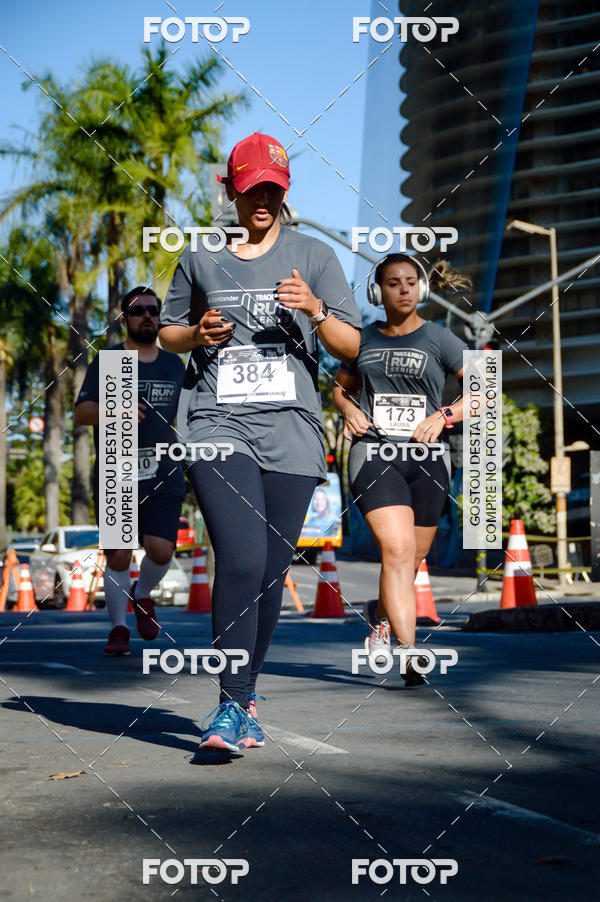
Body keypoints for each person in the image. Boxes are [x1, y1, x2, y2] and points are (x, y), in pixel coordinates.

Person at [159, 131, 362, 751]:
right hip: (218, 422)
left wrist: (317, 309)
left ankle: (245, 696)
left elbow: (355, 346)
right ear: (232, 190)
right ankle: (226, 707)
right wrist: (198, 333)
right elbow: (168, 334)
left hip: (293, 431)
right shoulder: (200, 258)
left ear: (285, 192)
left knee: (272, 574)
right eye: (253, 191)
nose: (264, 201)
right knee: (241, 560)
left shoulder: (314, 256)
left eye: (274, 190)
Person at [333, 254, 470, 685]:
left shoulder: (441, 339)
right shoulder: (362, 340)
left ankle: (380, 612)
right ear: (379, 291)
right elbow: (341, 388)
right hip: (375, 454)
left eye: (412, 282)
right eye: (394, 283)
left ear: (422, 289)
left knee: (414, 557)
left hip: (428, 459)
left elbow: (486, 390)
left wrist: (446, 415)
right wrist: (347, 410)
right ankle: (410, 655)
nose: (404, 289)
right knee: (396, 550)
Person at [74, 287, 185, 656]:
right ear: (125, 319)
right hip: (115, 467)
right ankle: (119, 628)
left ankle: (143, 594)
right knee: (119, 555)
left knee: (161, 550)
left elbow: (186, 419)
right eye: (139, 311)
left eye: (154, 310)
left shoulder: (173, 364)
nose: (148, 316)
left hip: (163, 469)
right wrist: (113, 408)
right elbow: (81, 413)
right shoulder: (110, 362)